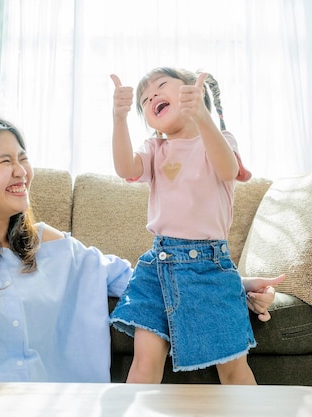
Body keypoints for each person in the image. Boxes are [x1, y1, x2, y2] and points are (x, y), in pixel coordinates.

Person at [0, 114, 282, 383]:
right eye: (5, 161)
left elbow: (137, 277)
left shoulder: (51, 245)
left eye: (23, 159)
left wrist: (231, 285)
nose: (22, 171)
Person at [109, 67, 275, 385]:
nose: (151, 96)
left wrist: (201, 116)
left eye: (161, 86)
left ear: (193, 93)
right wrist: (119, 118)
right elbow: (124, 167)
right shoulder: (155, 149)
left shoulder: (220, 139)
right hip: (157, 267)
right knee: (145, 361)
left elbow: (227, 170)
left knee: (233, 368)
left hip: (210, 268)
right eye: (144, 100)